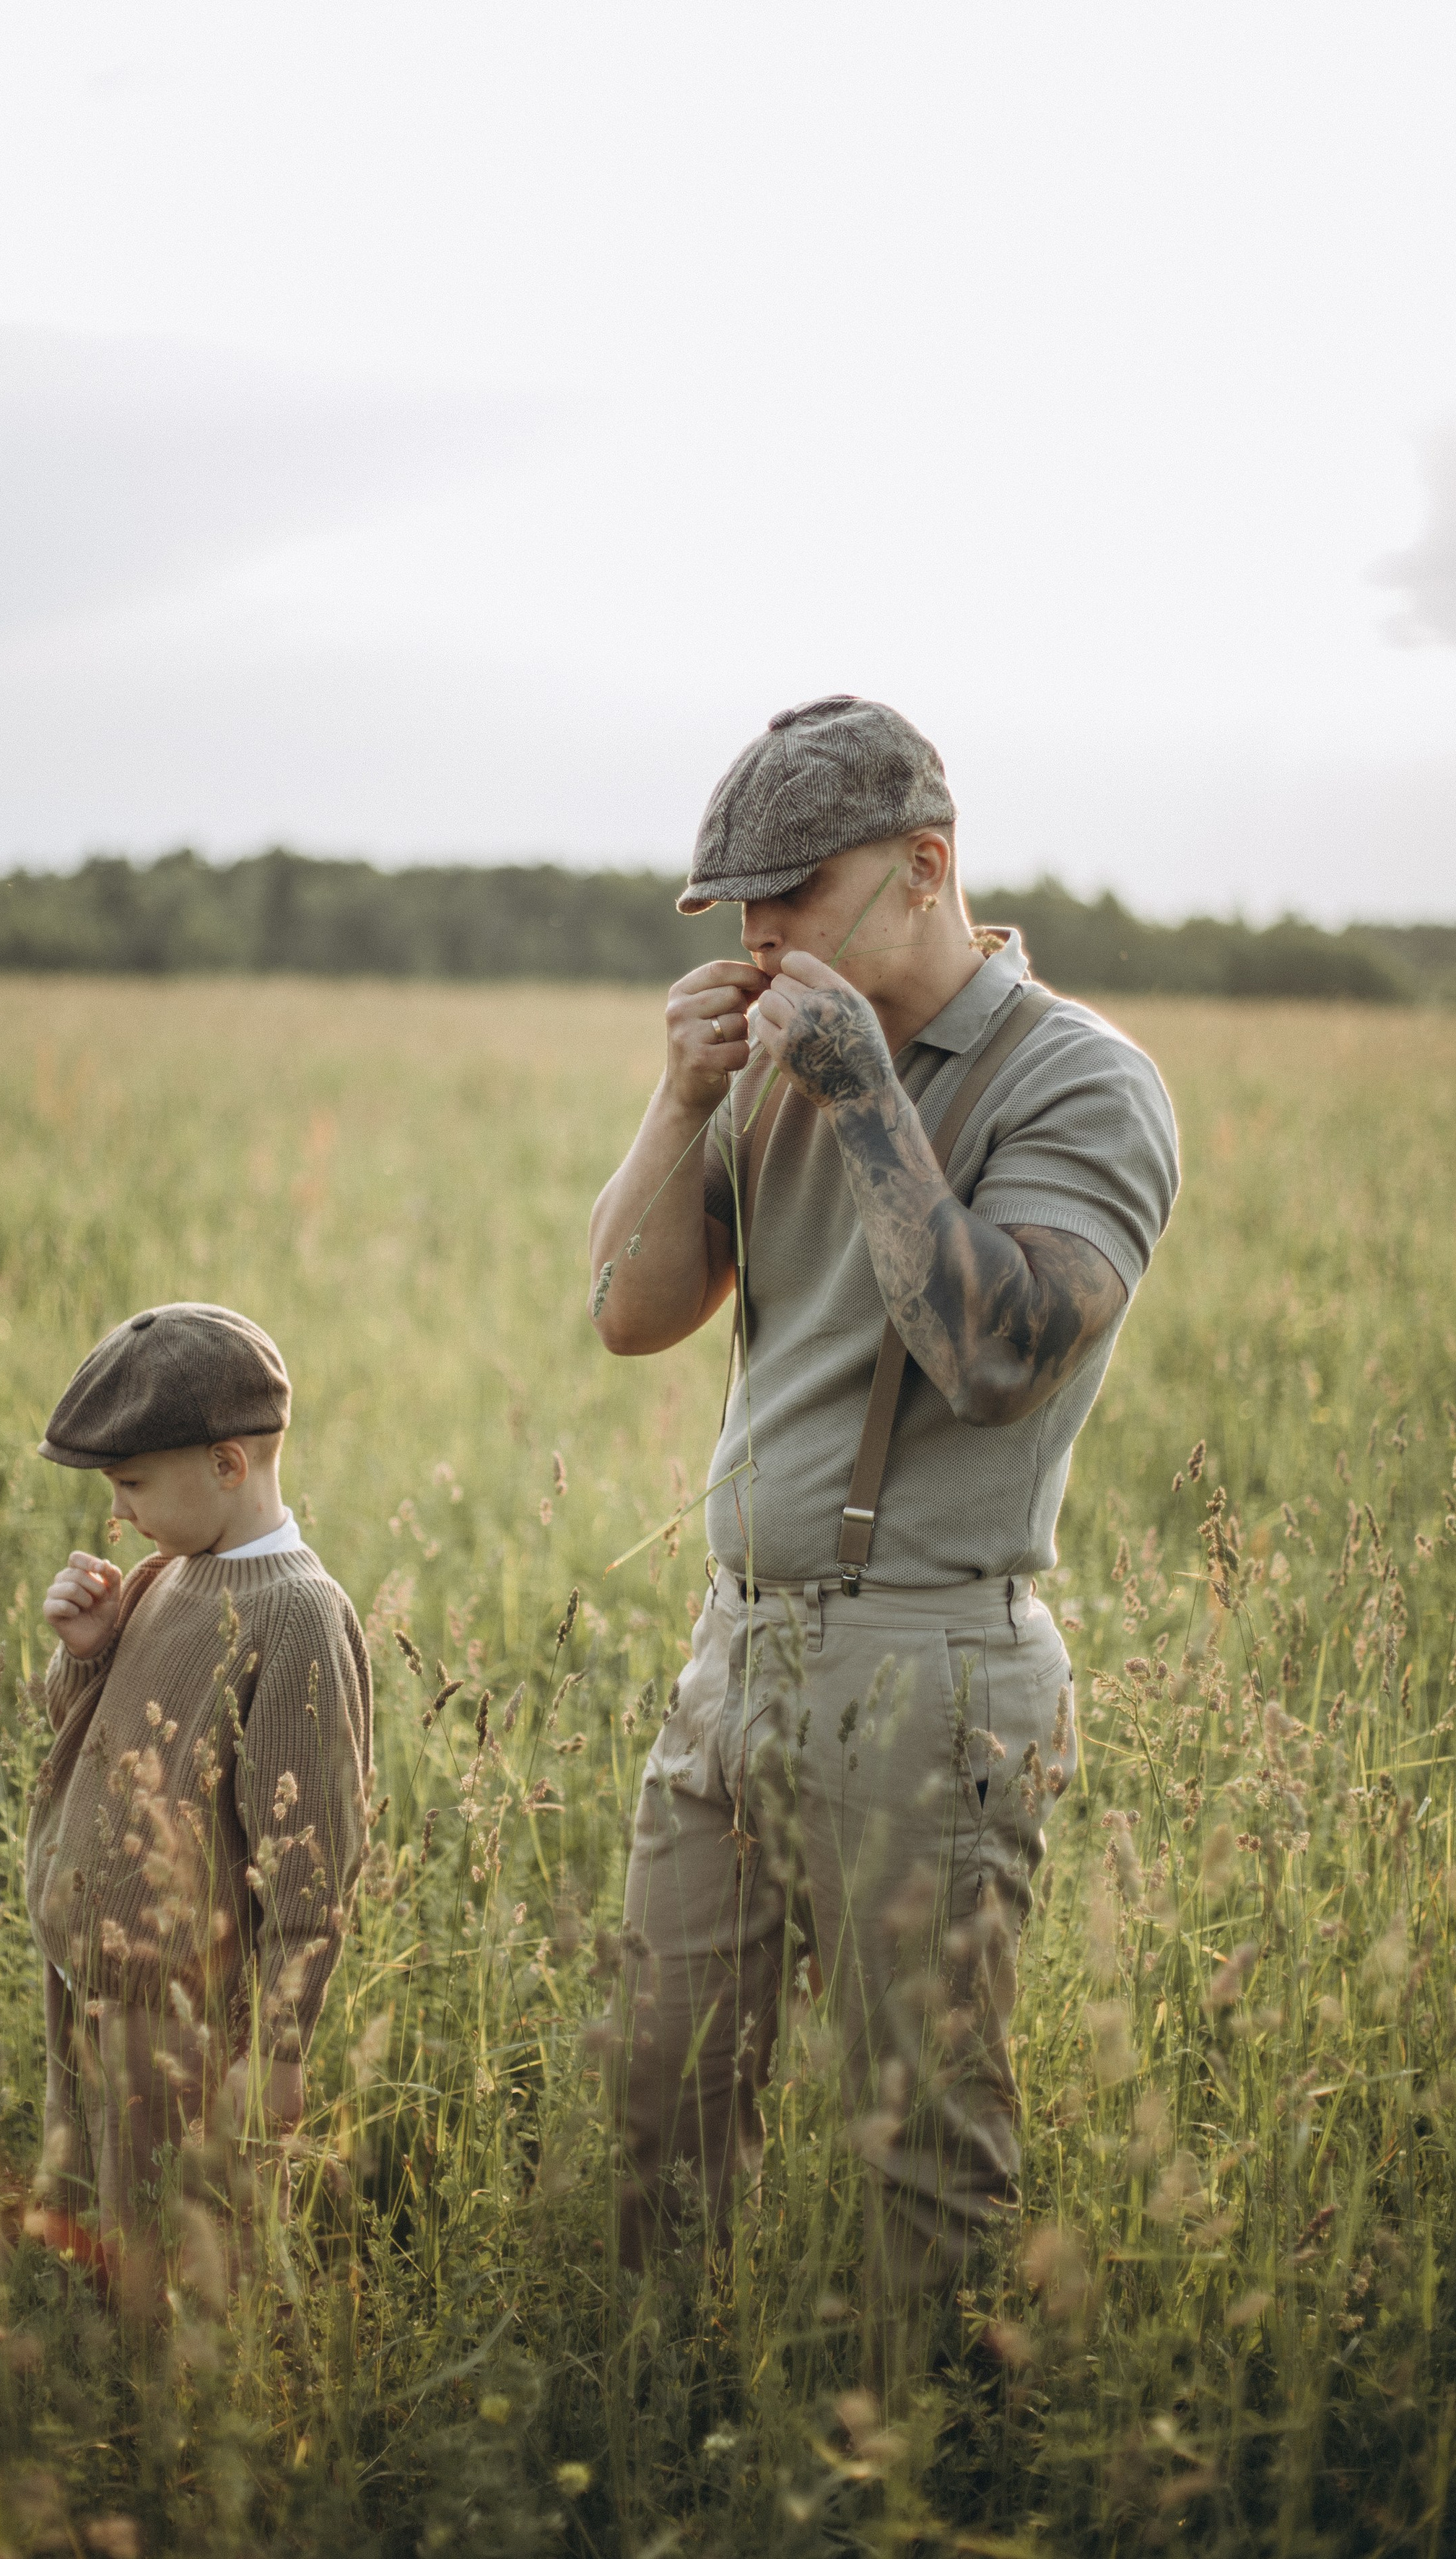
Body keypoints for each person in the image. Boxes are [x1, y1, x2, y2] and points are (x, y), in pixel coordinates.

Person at [588, 695, 1179, 2355]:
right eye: (739, 914)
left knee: (923, 2160)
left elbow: (993, 1355)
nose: (763, 944)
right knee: (659, 2108)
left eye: (795, 900)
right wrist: (676, 1100)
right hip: (734, 1650)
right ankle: (664, 2443)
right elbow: (627, 1315)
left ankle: (941, 2480)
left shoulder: (1082, 1082)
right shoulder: (776, 1060)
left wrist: (859, 1091)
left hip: (929, 1661)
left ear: (923, 869)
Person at [23, 1301, 372, 2279]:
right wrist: (86, 1658)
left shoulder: (296, 1616)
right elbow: (92, 1744)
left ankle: (197, 2413)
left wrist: (281, 2046)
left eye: (131, 1484)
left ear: (228, 1465)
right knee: (93, 2213)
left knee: (185, 2243)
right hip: (88, 1980)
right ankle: (110, 2390)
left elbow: (311, 1865)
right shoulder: (161, 1580)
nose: (118, 1512)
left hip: (180, 2014)